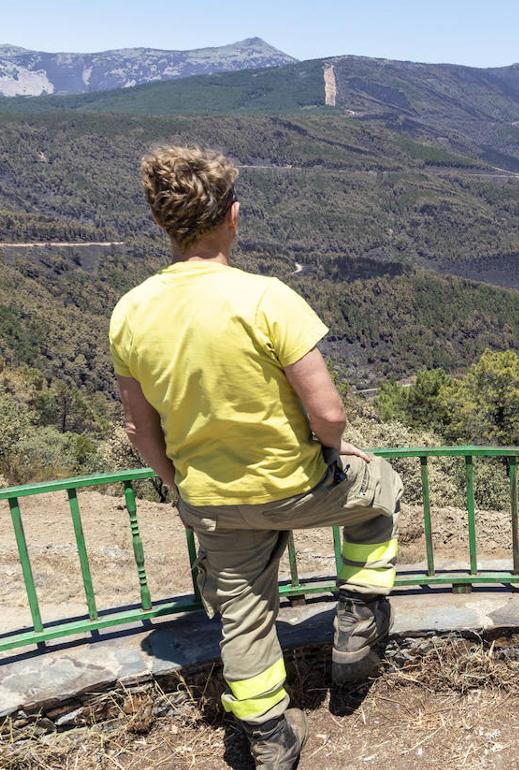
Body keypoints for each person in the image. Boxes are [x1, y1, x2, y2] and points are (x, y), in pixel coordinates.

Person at [109, 145, 402, 770]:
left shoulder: (130, 312)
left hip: (213, 502)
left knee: (242, 615)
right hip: (298, 486)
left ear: (162, 222)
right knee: (379, 487)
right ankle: (359, 614)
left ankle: (270, 735)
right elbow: (328, 414)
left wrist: (179, 486)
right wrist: (333, 450)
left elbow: (140, 428)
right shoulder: (268, 299)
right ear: (233, 217)